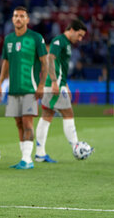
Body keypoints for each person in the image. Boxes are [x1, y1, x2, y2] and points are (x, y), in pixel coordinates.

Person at [0, 6, 48, 169]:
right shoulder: (9, 39)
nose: (18, 19)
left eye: (21, 16)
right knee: (18, 123)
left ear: (27, 20)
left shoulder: (35, 38)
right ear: (12, 19)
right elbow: (6, 62)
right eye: (16, 16)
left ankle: (28, 159)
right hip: (13, 88)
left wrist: (41, 85)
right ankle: (24, 158)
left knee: (27, 122)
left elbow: (45, 63)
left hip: (30, 88)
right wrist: (0, 83)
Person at [35, 19, 93, 161]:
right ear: (71, 30)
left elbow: (61, 66)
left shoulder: (66, 43)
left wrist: (64, 84)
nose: (79, 39)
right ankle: (77, 147)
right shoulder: (58, 41)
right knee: (68, 113)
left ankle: (40, 153)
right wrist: (55, 82)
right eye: (79, 35)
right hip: (52, 85)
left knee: (47, 116)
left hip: (57, 84)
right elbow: (50, 59)